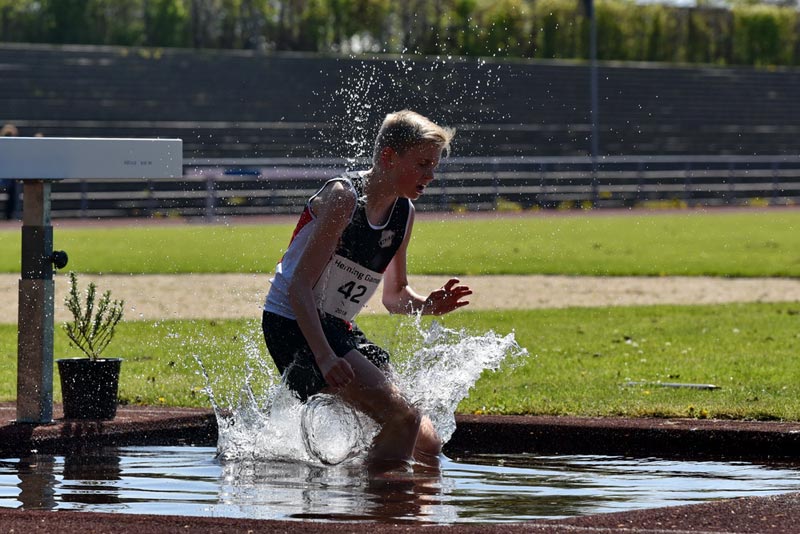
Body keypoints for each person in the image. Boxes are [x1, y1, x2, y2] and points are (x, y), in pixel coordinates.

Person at [262, 109, 472, 474]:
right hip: (292, 324)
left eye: (434, 166)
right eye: (422, 164)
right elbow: (299, 288)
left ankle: (360, 485)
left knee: (427, 443)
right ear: (389, 157)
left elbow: (395, 297)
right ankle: (377, 501)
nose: (430, 176)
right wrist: (325, 357)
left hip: (336, 327)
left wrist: (428, 305)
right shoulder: (344, 199)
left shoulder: (404, 213)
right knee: (403, 419)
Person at [1, 123, 20, 220]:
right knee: (13, 187)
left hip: (7, 177)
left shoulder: (14, 147)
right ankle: (10, 214)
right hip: (4, 177)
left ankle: (10, 214)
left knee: (13, 187)